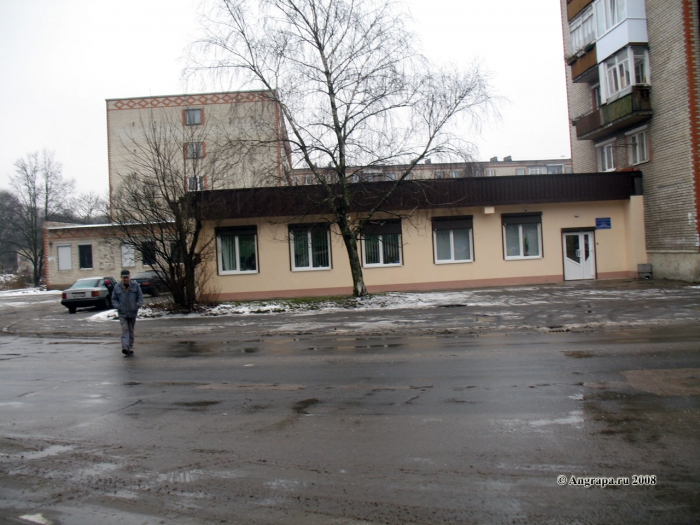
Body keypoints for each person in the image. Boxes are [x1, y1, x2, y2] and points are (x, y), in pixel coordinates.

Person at [111, 269, 144, 356]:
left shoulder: (135, 286)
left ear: (129, 277)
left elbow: (140, 297)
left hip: (132, 312)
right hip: (122, 313)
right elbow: (114, 299)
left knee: (131, 329)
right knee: (125, 329)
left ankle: (130, 346)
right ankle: (125, 347)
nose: (125, 279)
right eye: (124, 277)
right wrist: (118, 306)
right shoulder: (117, 287)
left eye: (127, 277)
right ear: (121, 278)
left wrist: (137, 305)